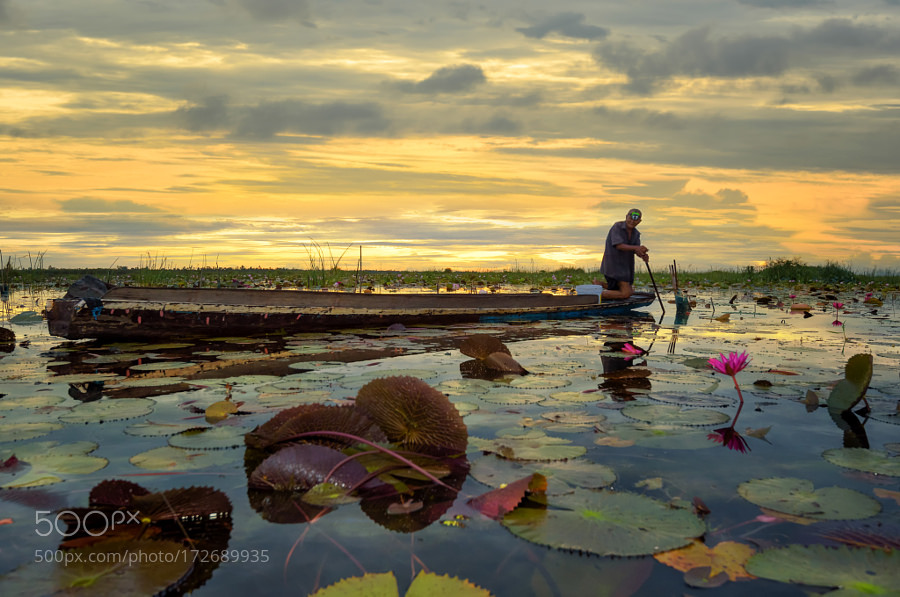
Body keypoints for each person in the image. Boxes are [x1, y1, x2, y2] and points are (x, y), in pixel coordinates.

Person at [597, 208, 649, 299]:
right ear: (626, 217)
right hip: (613, 266)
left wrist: (643, 255)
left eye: (635, 220)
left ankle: (599, 284)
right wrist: (637, 248)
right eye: (630, 218)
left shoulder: (636, 234)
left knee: (629, 291)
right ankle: (594, 295)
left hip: (625, 268)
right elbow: (619, 245)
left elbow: (636, 250)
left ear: (639, 221)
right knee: (626, 293)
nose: (632, 221)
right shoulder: (617, 227)